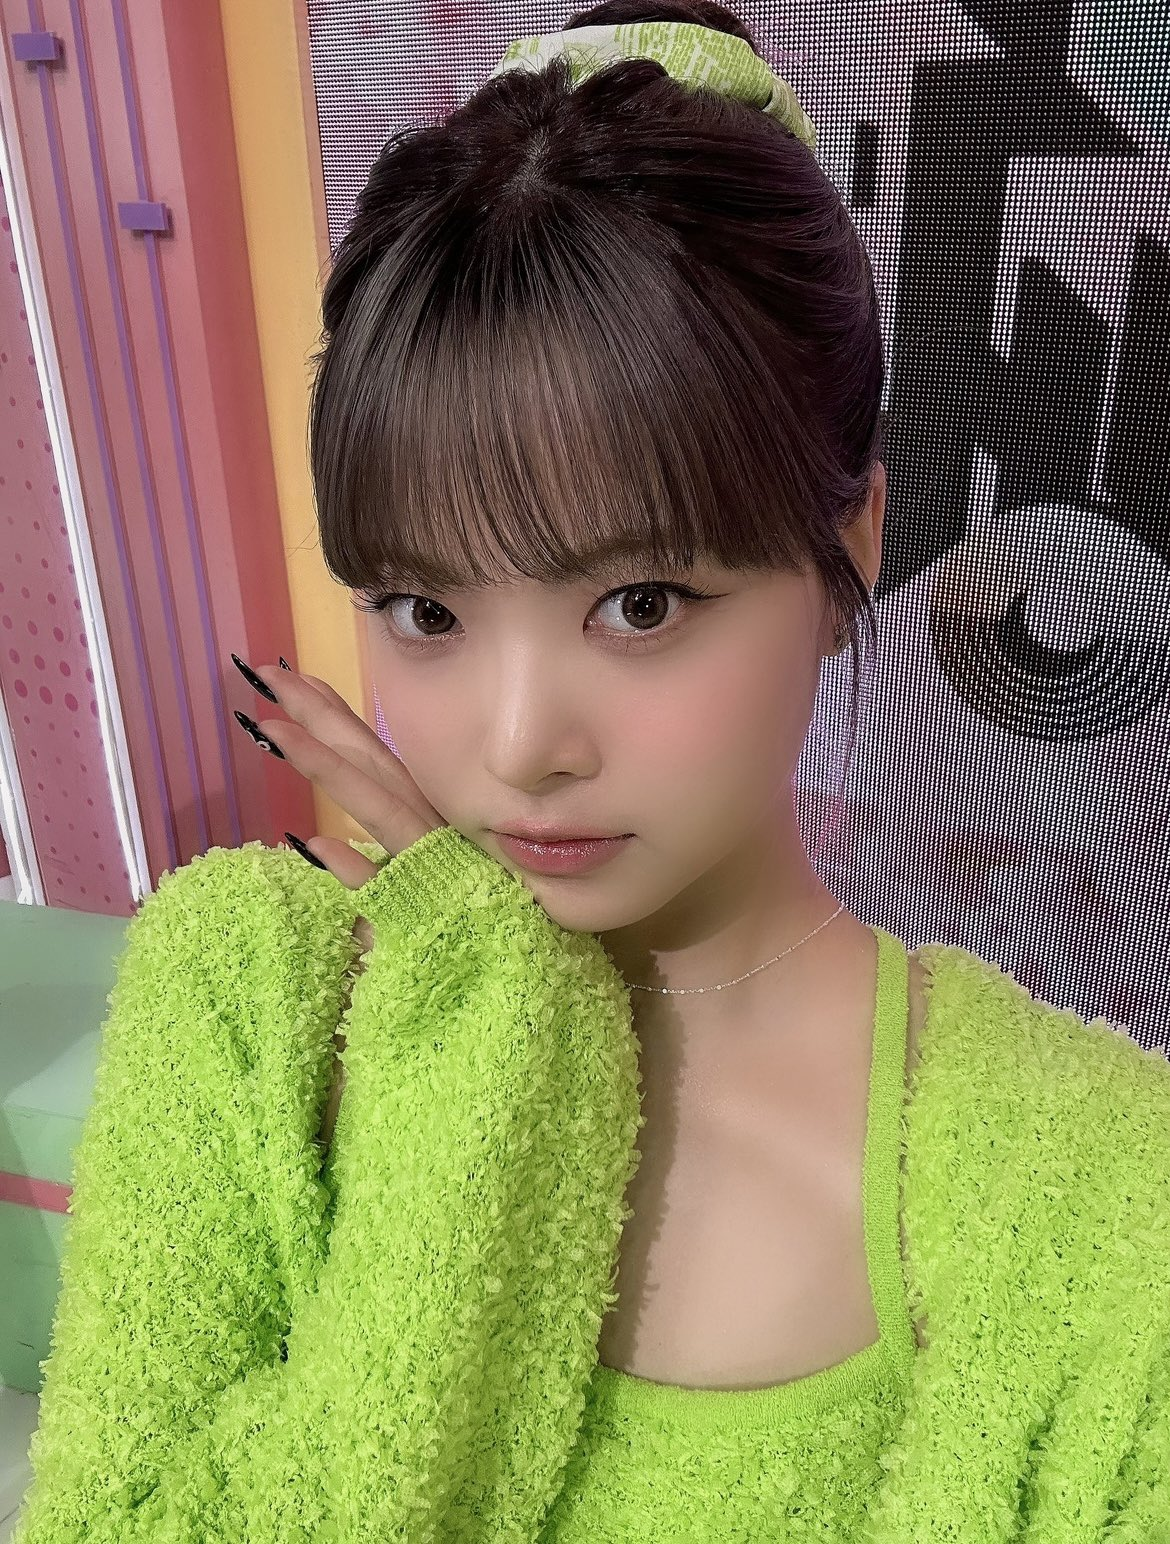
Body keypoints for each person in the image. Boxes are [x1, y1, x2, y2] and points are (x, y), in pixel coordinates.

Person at [13, 3, 1169, 1540]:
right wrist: (503, 1031)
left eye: (639, 605)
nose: (515, 746)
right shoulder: (251, 997)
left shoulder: (1100, 1198)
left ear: (849, 548)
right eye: (424, 612)